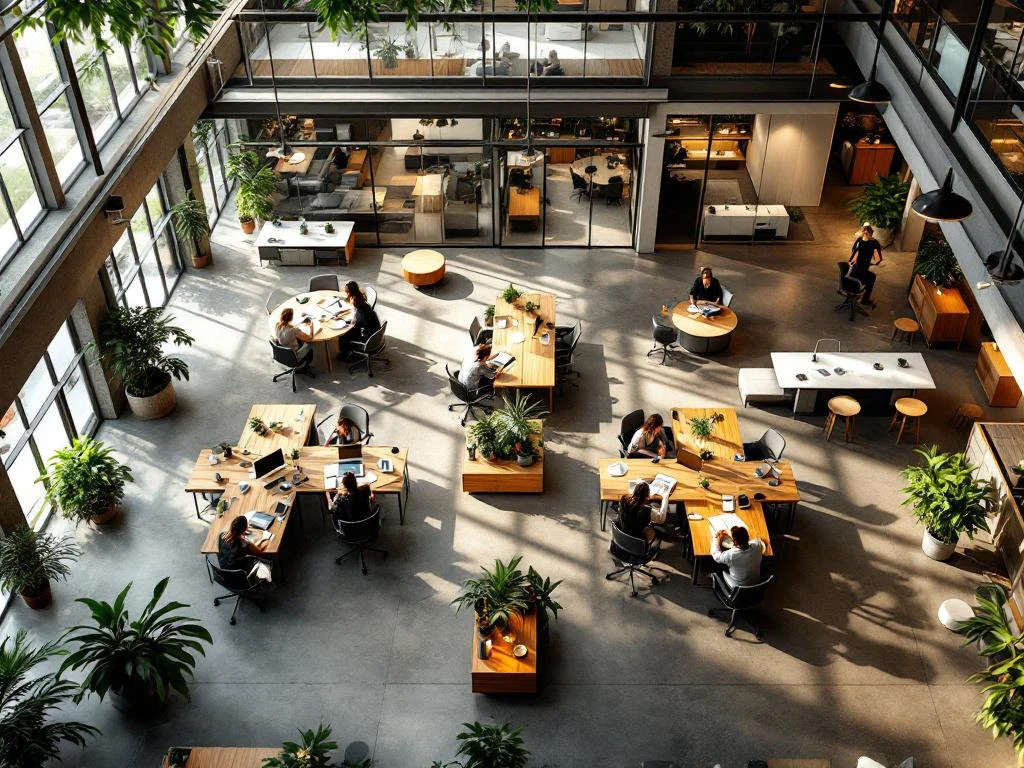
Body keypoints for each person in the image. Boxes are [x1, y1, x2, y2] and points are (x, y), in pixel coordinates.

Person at [339, 281, 381, 359]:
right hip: (375, 334)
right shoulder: (363, 302)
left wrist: (343, 320)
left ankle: (344, 355)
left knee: (344, 333)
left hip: (369, 338)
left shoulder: (360, 312)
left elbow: (353, 325)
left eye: (347, 293)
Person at [849, 225, 883, 306]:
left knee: (868, 276)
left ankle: (857, 292)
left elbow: (853, 251)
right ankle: (864, 299)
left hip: (854, 270)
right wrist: (873, 263)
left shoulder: (859, 240)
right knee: (872, 277)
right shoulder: (874, 243)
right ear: (871, 233)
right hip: (862, 272)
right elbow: (878, 259)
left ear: (863, 232)